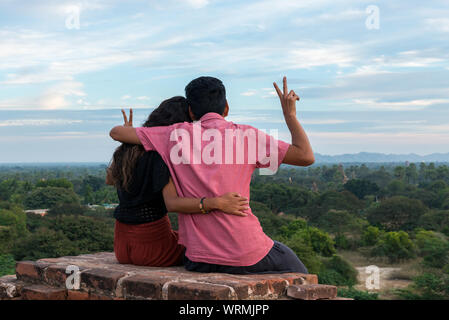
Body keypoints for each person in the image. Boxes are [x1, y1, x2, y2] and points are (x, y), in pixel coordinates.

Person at [109, 76, 314, 274]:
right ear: (226, 107)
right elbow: (305, 156)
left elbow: (116, 133)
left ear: (191, 110)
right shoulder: (248, 136)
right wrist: (290, 115)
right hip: (244, 253)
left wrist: (135, 133)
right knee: (299, 273)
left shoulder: (174, 135)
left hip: (197, 259)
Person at [107, 96, 249, 267]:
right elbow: (172, 204)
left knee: (182, 238)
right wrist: (217, 202)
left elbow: (110, 179)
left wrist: (126, 143)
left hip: (122, 246)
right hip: (152, 247)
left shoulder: (128, 151)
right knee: (209, 251)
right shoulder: (163, 153)